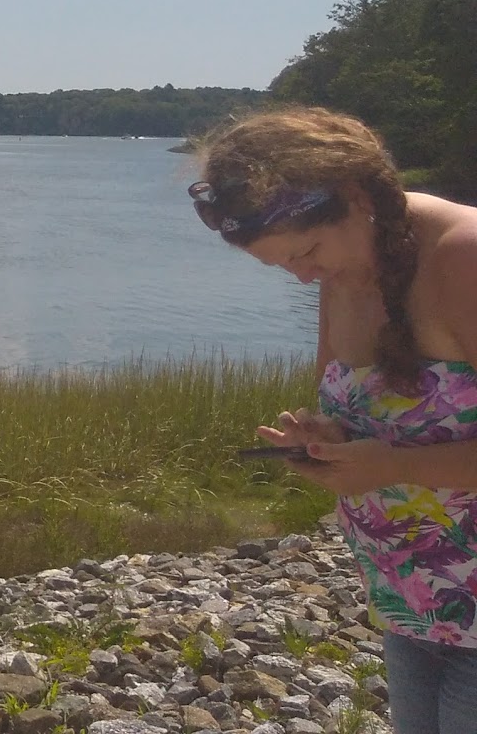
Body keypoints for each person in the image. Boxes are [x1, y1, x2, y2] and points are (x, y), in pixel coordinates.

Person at [193, 107, 477, 733]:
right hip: (410, 599)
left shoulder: (464, 255)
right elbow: (367, 417)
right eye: (283, 266)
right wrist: (327, 442)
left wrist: (394, 467)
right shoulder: (345, 268)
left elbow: (405, 451)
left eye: (308, 252)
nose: (303, 275)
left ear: (355, 196)